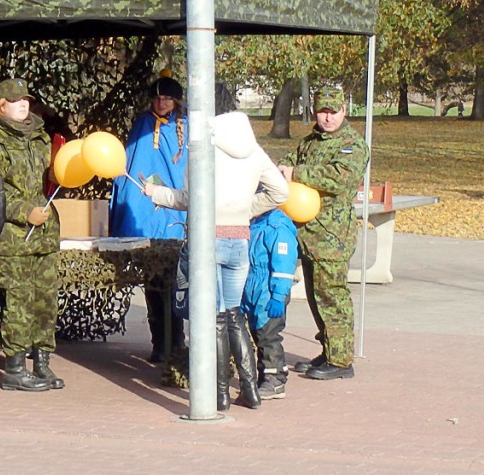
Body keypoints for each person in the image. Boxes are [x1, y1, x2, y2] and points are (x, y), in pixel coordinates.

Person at [142, 85, 288, 409]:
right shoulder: (252, 147)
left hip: (208, 238)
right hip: (240, 237)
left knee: (215, 318)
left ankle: (219, 393)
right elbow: (281, 192)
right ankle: (249, 389)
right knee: (234, 314)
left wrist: (156, 193)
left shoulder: (203, 148)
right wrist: (245, 210)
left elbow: (188, 198)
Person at [278, 86, 369, 381]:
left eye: (333, 111)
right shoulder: (310, 142)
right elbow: (287, 163)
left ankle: (341, 361)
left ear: (344, 110)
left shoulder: (352, 145)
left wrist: (297, 173)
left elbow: (340, 179)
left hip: (332, 235)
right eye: (322, 111)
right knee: (316, 295)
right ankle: (328, 350)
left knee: (332, 295)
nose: (327, 117)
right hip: (306, 231)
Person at [0, 78, 59, 392]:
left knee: (45, 299)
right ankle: (14, 369)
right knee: (20, 301)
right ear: (1, 105)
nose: (23, 104)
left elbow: (48, 178)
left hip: (45, 232)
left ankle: (42, 364)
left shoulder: (39, 136)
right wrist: (24, 211)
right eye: (15, 100)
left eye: (25, 99)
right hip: (12, 235)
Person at [109, 73, 188, 362]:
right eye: (157, 97)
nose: (161, 102)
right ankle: (160, 343)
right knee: (154, 284)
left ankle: (176, 342)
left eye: (167, 97)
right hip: (146, 216)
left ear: (176, 100)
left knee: (174, 284)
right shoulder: (141, 125)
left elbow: (184, 173)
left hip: (174, 216)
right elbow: (129, 167)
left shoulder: (186, 128)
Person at [242, 208, 299, 399]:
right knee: (258, 334)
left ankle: (275, 379)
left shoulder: (277, 227)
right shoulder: (255, 223)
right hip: (253, 286)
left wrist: (278, 295)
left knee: (268, 335)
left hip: (269, 289)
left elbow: (284, 264)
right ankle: (265, 375)